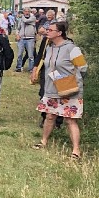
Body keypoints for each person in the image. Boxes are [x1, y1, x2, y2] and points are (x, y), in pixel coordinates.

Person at [33, 21, 87, 159]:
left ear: (59, 33)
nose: (47, 32)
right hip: (52, 89)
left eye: (50, 30)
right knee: (50, 116)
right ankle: (43, 141)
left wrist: (69, 80)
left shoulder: (72, 48)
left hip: (70, 90)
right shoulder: (49, 47)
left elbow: (83, 68)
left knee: (70, 120)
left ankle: (76, 151)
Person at [15, 8, 37, 72]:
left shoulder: (33, 18)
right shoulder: (21, 20)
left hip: (30, 38)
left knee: (30, 55)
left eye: (28, 11)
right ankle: (19, 67)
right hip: (21, 38)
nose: (27, 12)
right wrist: (17, 34)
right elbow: (18, 28)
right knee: (19, 54)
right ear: (24, 12)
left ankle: (31, 68)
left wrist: (21, 16)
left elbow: (25, 21)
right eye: (25, 11)